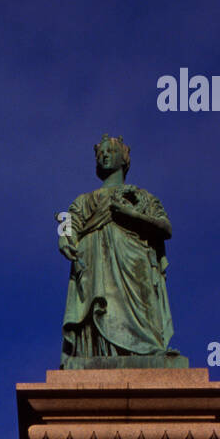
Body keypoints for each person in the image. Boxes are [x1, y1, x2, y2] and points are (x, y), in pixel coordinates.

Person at [58, 134, 180, 362]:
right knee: (100, 308)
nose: (104, 155)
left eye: (110, 151)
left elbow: (166, 228)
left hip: (135, 261)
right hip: (95, 264)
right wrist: (65, 238)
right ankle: (98, 352)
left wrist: (131, 215)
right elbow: (67, 219)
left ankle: (148, 348)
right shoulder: (84, 200)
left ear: (124, 158)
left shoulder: (143, 197)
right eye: (100, 153)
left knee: (144, 307)